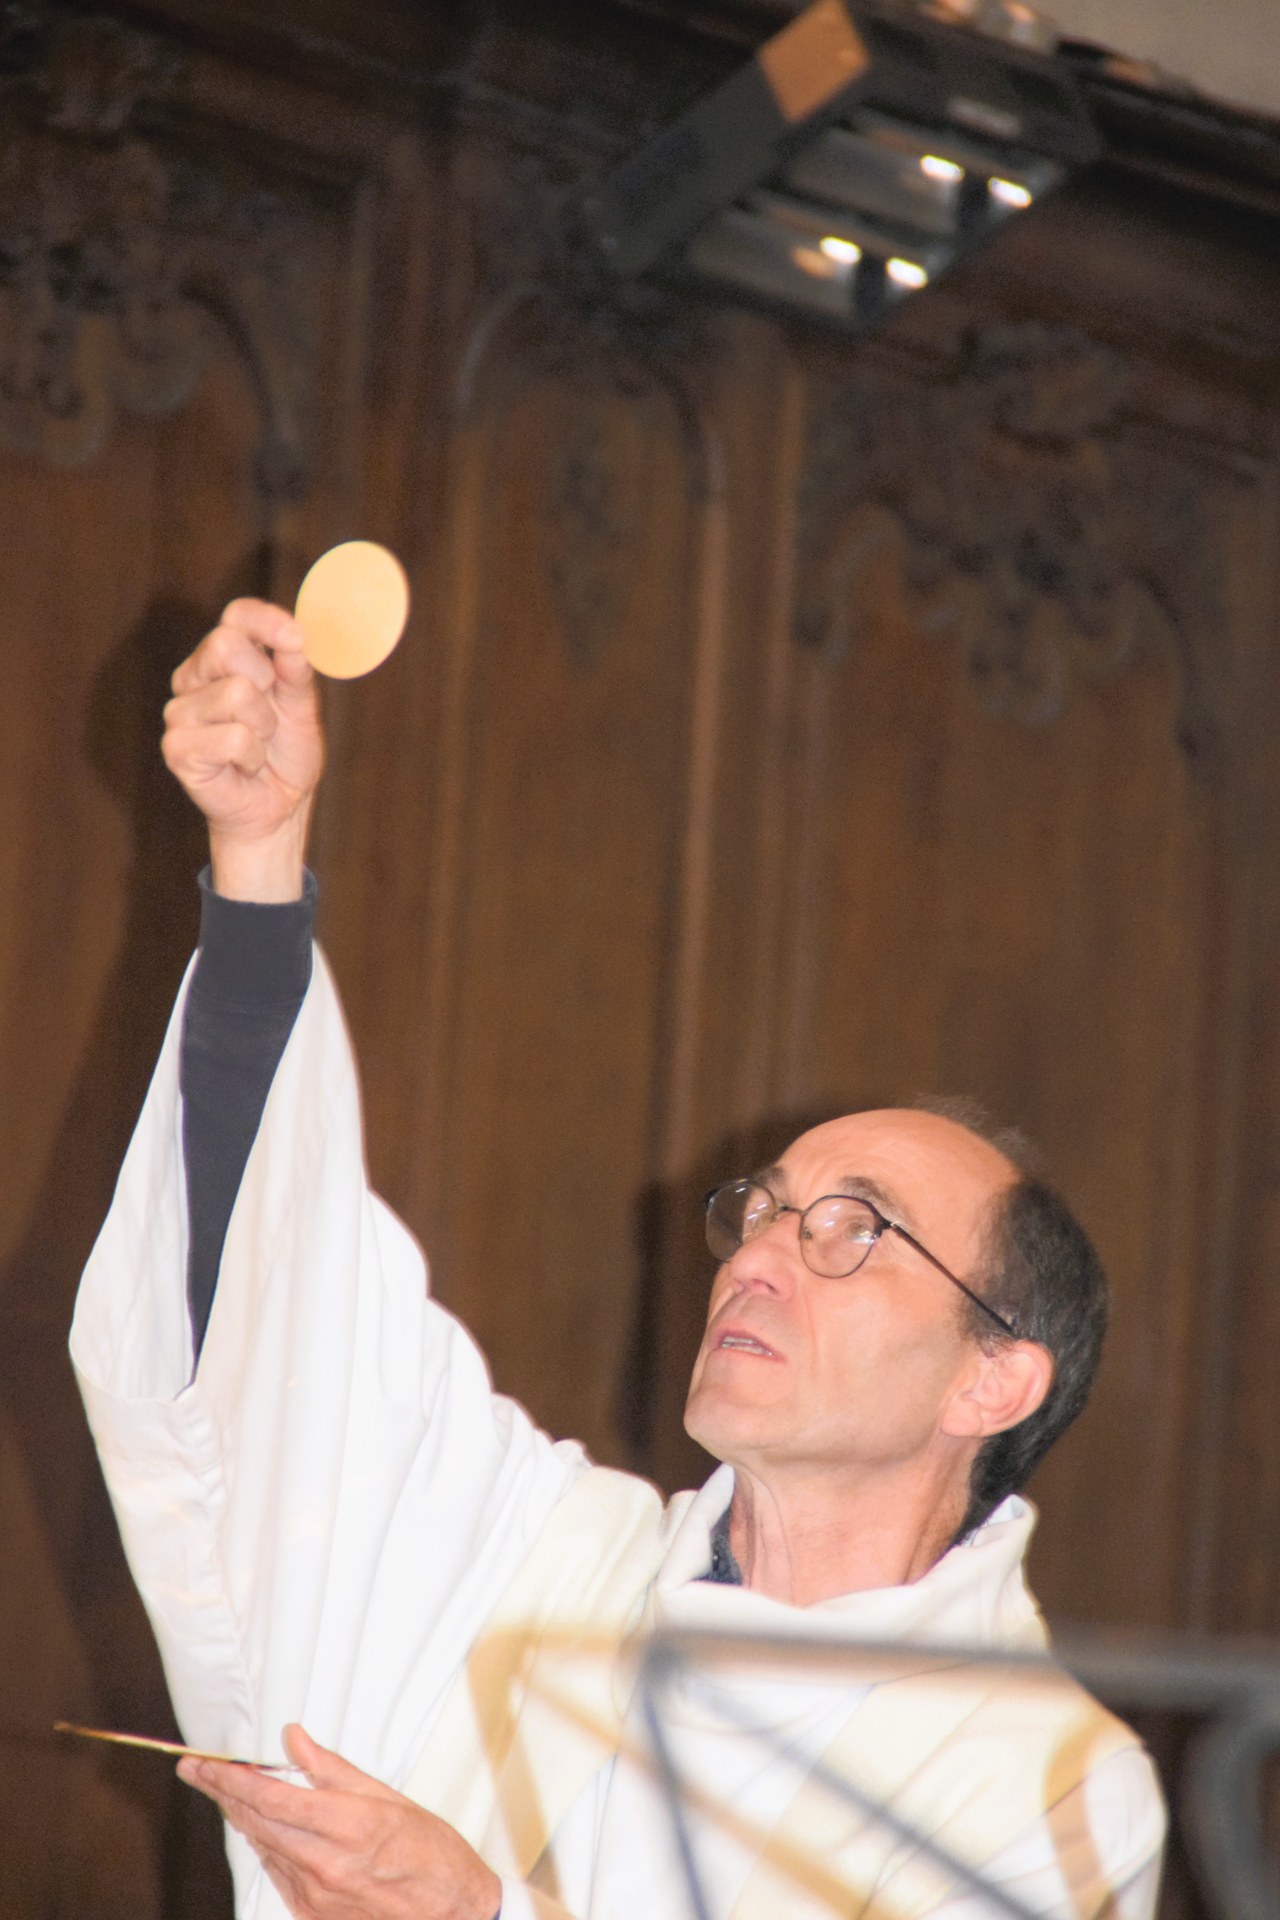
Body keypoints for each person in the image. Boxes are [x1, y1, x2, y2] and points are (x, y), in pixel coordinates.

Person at [71, 600, 1166, 1920]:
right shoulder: (541, 1556)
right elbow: (270, 1316)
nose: (759, 1256)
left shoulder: (1049, 1783)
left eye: (850, 1230)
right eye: (762, 1213)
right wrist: (257, 858)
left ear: (993, 1381)